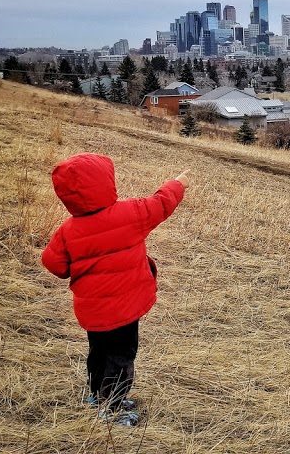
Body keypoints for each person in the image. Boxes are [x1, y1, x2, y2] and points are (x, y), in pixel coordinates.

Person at [41, 153, 190, 426]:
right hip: (123, 310)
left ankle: (97, 396)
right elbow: (161, 204)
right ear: (106, 184)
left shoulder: (68, 230)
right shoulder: (130, 213)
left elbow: (54, 264)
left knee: (98, 352)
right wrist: (177, 184)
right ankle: (113, 408)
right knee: (121, 357)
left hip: (93, 312)